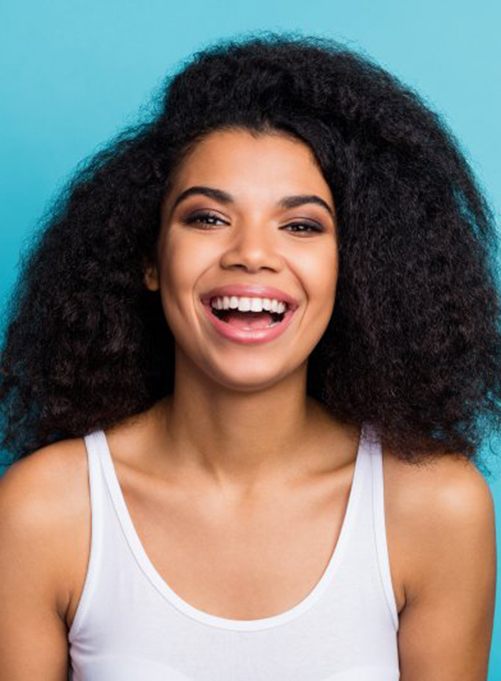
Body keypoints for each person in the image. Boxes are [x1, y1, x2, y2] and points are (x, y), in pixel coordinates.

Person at [0, 32, 498, 680]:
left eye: (300, 225)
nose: (251, 253)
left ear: (353, 267)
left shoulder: (436, 509)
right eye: (207, 217)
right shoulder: (44, 511)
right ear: (150, 259)